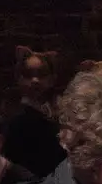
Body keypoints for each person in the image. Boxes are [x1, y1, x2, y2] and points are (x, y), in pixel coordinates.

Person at [6, 48, 66, 177]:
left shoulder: (60, 112)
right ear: (19, 79)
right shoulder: (15, 117)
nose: (35, 80)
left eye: (41, 74)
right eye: (28, 75)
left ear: (52, 79)